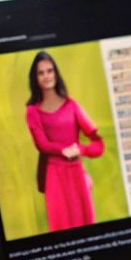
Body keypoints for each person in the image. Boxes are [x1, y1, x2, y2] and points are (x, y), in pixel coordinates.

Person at [23, 51, 105, 232]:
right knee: (61, 228)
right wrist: (64, 151)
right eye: (41, 73)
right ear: (35, 78)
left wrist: (80, 150)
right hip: (54, 176)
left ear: (56, 73)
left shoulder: (72, 106)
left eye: (50, 71)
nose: (46, 76)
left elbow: (98, 145)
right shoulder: (32, 111)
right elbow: (42, 144)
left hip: (76, 174)